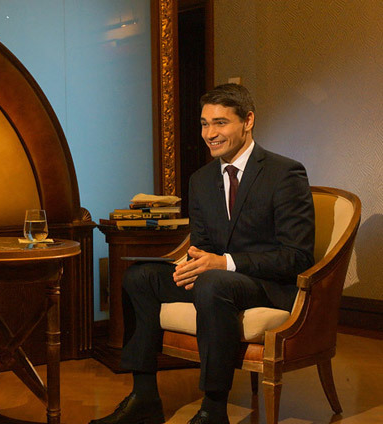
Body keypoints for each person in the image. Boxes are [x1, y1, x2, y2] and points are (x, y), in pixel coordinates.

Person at [91, 84, 315, 424]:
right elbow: (206, 245)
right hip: (218, 278)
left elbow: (296, 257)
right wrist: (192, 264)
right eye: (204, 123)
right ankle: (144, 397)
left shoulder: (285, 173)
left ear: (248, 120)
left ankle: (213, 409)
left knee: (213, 283)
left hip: (268, 285)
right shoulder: (201, 179)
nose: (210, 133)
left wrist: (222, 263)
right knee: (140, 277)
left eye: (220, 123)